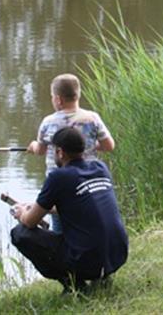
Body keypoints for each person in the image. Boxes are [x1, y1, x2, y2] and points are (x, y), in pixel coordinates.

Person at [10, 127, 128, 293]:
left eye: (53, 150)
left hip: (89, 262)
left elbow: (29, 222)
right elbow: (79, 205)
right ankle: (102, 277)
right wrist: (42, 209)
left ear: (60, 152)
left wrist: (22, 212)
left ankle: (74, 286)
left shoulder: (58, 177)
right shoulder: (100, 168)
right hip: (117, 255)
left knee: (20, 234)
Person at [27, 73, 115, 232]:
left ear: (58, 99)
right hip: (88, 181)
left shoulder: (48, 122)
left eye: (52, 97)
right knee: (84, 220)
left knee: (59, 222)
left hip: (60, 182)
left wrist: (33, 146)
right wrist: (91, 145)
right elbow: (109, 145)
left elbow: (40, 150)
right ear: (78, 95)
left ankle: (60, 243)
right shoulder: (92, 118)